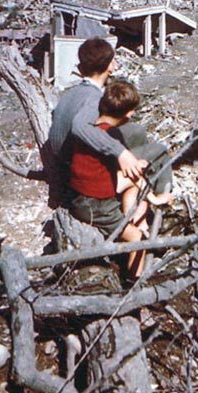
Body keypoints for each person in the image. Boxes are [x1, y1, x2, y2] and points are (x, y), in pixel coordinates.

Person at [68, 79, 156, 279]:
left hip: (81, 192)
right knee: (137, 238)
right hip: (94, 205)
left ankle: (129, 218)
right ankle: (134, 282)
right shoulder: (113, 136)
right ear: (128, 114)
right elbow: (131, 172)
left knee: (133, 184)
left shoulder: (91, 131)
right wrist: (141, 170)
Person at [44, 38, 146, 208]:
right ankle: (136, 184)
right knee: (137, 133)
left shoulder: (71, 92)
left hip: (59, 160)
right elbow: (79, 126)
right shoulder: (94, 99)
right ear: (110, 66)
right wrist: (120, 152)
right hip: (73, 173)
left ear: (81, 68)